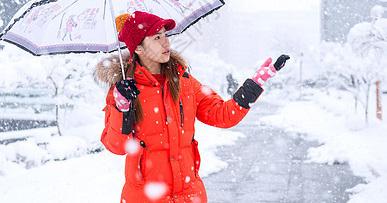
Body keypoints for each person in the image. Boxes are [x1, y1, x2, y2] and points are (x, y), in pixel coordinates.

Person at [94, 11, 289, 203]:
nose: (166, 42)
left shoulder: (184, 82)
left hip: (189, 194)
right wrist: (122, 108)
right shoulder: (124, 92)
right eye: (156, 37)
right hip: (145, 197)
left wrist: (254, 84)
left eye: (165, 35)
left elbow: (222, 115)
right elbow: (117, 146)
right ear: (138, 48)